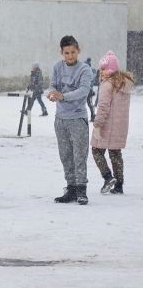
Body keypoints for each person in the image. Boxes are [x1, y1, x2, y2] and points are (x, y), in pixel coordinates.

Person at [48, 35, 92, 205]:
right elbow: (53, 85)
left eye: (73, 52)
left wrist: (63, 96)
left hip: (77, 118)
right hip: (61, 118)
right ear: (62, 53)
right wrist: (52, 93)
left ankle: (81, 190)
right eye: (67, 53)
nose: (70, 56)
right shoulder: (57, 67)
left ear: (78, 51)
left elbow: (84, 90)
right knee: (65, 155)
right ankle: (71, 188)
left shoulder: (85, 69)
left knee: (79, 155)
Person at [90, 51, 133, 195]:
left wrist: (97, 124)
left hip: (107, 125)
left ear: (111, 70)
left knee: (96, 150)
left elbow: (103, 107)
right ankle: (119, 185)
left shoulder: (107, 85)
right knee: (115, 153)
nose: (101, 72)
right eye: (100, 69)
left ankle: (108, 177)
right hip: (121, 125)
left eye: (103, 69)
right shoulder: (124, 83)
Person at [85, 57, 97, 122]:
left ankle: (93, 116)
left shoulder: (88, 73)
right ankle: (93, 116)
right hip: (88, 91)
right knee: (90, 104)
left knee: (89, 104)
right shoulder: (90, 72)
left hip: (88, 91)